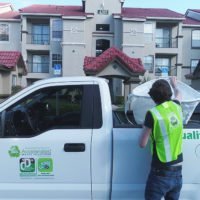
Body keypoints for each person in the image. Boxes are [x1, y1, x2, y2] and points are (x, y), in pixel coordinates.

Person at [139, 77, 183, 200]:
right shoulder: (176, 106)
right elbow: (179, 94)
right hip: (178, 171)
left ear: (153, 97)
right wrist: (174, 85)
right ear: (169, 93)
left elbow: (142, 144)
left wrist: (145, 126)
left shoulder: (152, 114)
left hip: (160, 172)